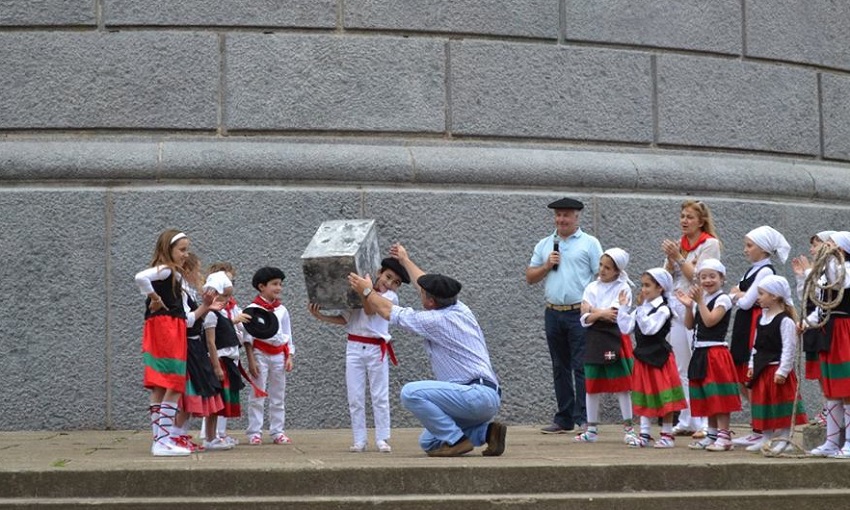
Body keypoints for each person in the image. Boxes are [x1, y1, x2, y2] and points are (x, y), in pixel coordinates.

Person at [347, 243, 506, 457]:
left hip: (474, 396)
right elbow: (425, 281)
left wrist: (366, 289)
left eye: (423, 293)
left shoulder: (434, 320)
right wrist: (405, 260)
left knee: (410, 393)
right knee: (429, 442)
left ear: (430, 302)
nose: (420, 292)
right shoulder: (460, 308)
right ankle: (487, 432)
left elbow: (386, 310)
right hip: (484, 398)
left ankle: (459, 441)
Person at [133, 229, 222, 457]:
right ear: (168, 249)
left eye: (186, 249)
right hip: (167, 330)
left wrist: (205, 306)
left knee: (162, 385)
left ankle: (161, 439)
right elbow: (140, 277)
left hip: (169, 327)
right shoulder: (166, 271)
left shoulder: (175, 277)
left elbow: (188, 318)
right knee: (173, 384)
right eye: (182, 249)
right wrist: (154, 298)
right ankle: (162, 440)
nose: (185, 254)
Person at [309, 258, 411, 453]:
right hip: (354, 347)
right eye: (388, 277)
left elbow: (370, 309)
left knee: (379, 395)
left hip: (376, 348)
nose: (389, 283)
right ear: (379, 272)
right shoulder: (359, 291)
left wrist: (364, 289)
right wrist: (321, 316)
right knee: (355, 396)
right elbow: (345, 318)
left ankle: (382, 438)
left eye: (395, 282)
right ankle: (359, 439)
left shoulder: (389, 297)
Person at [527, 197, 602, 434]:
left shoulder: (589, 243)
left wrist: (594, 308)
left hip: (578, 312)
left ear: (577, 217)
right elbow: (530, 276)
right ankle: (564, 418)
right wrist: (547, 265)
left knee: (581, 365)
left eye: (566, 215)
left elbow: (601, 276)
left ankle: (584, 417)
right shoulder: (546, 244)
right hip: (553, 312)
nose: (561, 219)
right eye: (558, 215)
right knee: (560, 366)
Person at [661, 200, 721, 437]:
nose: (684, 221)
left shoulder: (710, 244)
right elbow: (667, 277)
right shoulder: (680, 245)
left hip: (696, 306)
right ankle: (688, 417)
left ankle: (707, 420)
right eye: (682, 216)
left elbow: (700, 278)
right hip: (676, 306)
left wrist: (678, 257)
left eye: (690, 217)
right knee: (681, 366)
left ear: (701, 221)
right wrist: (670, 259)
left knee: (699, 364)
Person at [728, 225, 790, 448]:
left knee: (752, 375)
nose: (745, 250)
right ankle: (758, 426)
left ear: (763, 249)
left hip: (754, 323)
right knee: (743, 375)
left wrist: (738, 295)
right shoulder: (752, 270)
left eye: (749, 245)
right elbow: (739, 295)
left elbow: (744, 301)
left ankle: (763, 428)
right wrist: (739, 295)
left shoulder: (765, 271)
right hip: (745, 323)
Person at [675, 259, 742, 451]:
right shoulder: (700, 301)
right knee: (706, 395)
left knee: (719, 394)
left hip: (716, 351)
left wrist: (699, 302)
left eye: (712, 276)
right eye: (703, 277)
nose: (707, 280)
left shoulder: (723, 299)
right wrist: (689, 307)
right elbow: (689, 325)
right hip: (701, 351)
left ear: (722, 278)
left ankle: (724, 436)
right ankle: (712, 435)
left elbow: (711, 320)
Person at [617, 268, 687, 448]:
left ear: (660, 288)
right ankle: (645, 433)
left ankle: (667, 434)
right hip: (643, 358)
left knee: (665, 397)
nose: (644, 289)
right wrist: (624, 308)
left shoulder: (663, 309)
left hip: (659, 358)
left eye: (647, 285)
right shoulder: (643, 308)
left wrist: (639, 309)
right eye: (642, 285)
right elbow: (626, 328)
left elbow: (650, 329)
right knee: (645, 395)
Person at [574, 248, 635, 444]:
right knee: (592, 385)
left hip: (615, 338)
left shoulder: (623, 287)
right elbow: (584, 318)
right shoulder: (592, 287)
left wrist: (592, 310)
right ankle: (591, 429)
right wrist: (598, 313)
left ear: (617, 270)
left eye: (608, 268)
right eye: (601, 265)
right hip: (594, 339)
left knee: (622, 385)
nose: (602, 270)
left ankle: (629, 427)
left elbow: (615, 314)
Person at [746, 275, 807, 454]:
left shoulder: (785, 321)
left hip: (776, 369)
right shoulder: (760, 319)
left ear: (774, 296)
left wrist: (783, 370)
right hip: (761, 370)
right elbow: (756, 346)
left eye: (761, 293)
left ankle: (785, 438)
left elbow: (789, 348)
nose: (758, 297)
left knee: (781, 405)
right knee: (764, 404)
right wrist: (751, 365)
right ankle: (766, 437)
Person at [804, 232, 850, 457]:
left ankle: (849, 442)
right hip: (829, 329)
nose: (826, 247)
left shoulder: (846, 270)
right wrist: (805, 322)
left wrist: (827, 259)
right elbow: (820, 305)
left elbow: (839, 280)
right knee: (831, 389)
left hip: (844, 330)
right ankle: (832, 442)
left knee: (847, 388)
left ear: (841, 249)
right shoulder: (825, 273)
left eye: (831, 244)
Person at [172, 253, 224, 453]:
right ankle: (175, 435)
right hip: (188, 348)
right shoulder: (181, 292)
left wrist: (207, 307)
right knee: (186, 397)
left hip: (194, 347)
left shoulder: (188, 291)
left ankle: (179, 435)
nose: (199, 274)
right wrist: (205, 307)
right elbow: (186, 321)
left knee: (190, 396)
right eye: (196, 269)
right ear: (186, 270)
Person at [199, 261, 250, 447]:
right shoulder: (212, 316)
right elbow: (211, 342)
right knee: (215, 402)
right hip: (219, 361)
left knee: (220, 402)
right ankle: (210, 437)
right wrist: (216, 366)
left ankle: (215, 436)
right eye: (223, 296)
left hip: (227, 361)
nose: (227, 300)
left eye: (229, 296)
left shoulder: (222, 314)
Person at [243, 267, 295, 446]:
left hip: (279, 355)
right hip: (260, 354)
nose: (278, 288)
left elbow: (287, 334)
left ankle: (277, 431)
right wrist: (251, 359)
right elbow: (248, 338)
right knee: (258, 394)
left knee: (278, 395)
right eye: (274, 284)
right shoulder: (251, 310)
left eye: (280, 284)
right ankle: (254, 432)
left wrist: (289, 356)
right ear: (261, 286)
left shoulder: (282, 310)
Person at [792, 231, 836, 426]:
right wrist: (802, 278)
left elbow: (823, 301)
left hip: (826, 326)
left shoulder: (832, 271)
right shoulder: (819, 270)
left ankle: (831, 409)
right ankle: (827, 407)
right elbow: (807, 299)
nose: (811, 249)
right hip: (815, 324)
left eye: (815, 244)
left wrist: (806, 322)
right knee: (820, 373)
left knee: (828, 372)